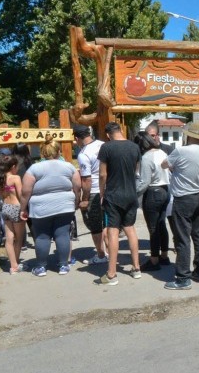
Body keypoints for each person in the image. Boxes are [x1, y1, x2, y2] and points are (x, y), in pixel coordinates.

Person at [20, 136, 81, 276]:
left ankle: (41, 267)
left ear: (43, 153)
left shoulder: (34, 169)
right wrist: (76, 200)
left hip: (41, 207)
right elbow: (77, 186)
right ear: (59, 151)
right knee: (63, 235)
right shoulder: (69, 166)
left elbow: (25, 191)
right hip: (65, 205)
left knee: (42, 237)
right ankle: (64, 265)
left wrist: (23, 208)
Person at [162, 121, 199, 290]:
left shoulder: (180, 151)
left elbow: (164, 164)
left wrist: (176, 170)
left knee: (182, 238)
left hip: (183, 197)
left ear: (188, 135)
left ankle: (183, 277)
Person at [96, 122, 142, 285]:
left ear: (108, 134)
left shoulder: (106, 148)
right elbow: (136, 170)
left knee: (112, 231)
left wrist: (102, 193)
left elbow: (102, 174)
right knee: (130, 229)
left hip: (113, 195)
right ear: (121, 130)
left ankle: (111, 274)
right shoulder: (134, 147)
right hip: (130, 193)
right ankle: (136, 268)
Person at [134, 131, 171, 271]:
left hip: (153, 192)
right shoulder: (162, 153)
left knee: (153, 228)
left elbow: (144, 182)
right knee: (162, 225)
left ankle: (154, 260)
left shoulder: (146, 158)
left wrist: (134, 194)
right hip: (165, 190)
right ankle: (164, 255)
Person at [73, 125, 108, 265]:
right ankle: (109, 251)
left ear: (77, 138)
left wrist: (84, 199)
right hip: (107, 189)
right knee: (106, 223)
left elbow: (86, 179)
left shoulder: (83, 154)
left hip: (93, 191)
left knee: (94, 225)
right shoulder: (104, 145)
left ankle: (100, 255)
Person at [0, 155, 25, 275]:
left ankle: (12, 266)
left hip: (5, 207)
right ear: (13, 166)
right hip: (16, 208)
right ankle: (16, 264)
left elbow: (0, 195)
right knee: (18, 238)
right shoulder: (15, 178)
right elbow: (21, 195)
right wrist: (25, 209)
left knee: (9, 238)